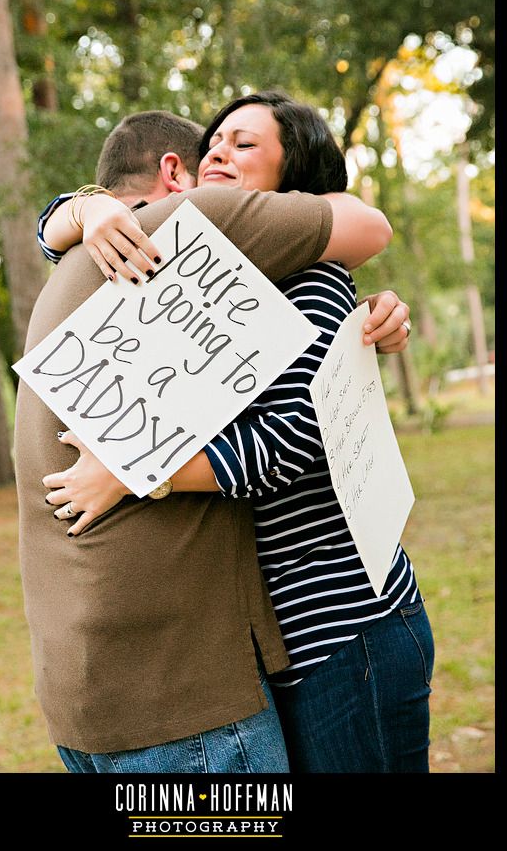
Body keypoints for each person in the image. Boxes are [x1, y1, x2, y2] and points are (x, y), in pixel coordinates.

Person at [38, 93, 433, 774]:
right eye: (214, 141)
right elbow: (59, 239)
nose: (218, 151)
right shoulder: (216, 276)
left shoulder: (308, 274)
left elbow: (295, 435)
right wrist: (82, 208)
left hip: (345, 633)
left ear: (293, 176)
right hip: (285, 646)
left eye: (244, 144)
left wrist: (138, 469)